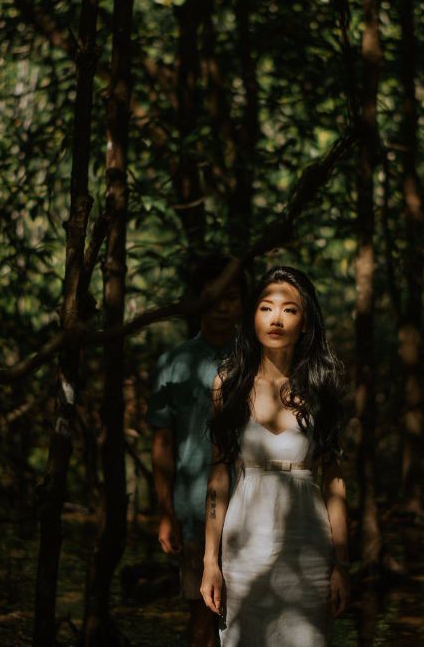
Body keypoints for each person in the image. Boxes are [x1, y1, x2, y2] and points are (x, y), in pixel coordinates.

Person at [200, 266, 350, 647]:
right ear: (252, 317)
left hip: (308, 543)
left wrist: (341, 564)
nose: (276, 319)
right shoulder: (228, 383)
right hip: (243, 544)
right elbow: (218, 475)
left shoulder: (322, 386)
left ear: (306, 321)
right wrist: (209, 562)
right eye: (266, 308)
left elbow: (334, 480)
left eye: (290, 310)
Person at [148, 256, 245, 647]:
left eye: (231, 298)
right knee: (201, 616)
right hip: (192, 510)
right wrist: (166, 512)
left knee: (250, 617)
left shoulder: (256, 361)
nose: (222, 307)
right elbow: (162, 443)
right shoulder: (173, 364)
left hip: (251, 506)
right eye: (212, 298)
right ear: (196, 302)